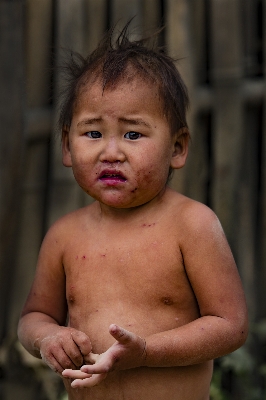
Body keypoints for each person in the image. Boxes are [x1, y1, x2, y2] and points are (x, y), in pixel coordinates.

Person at [18, 22, 248, 400]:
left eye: (133, 134)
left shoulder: (192, 225)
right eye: (93, 133)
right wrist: (49, 337)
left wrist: (146, 352)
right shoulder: (64, 235)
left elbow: (231, 326)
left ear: (177, 148)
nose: (111, 152)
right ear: (66, 146)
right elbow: (33, 318)